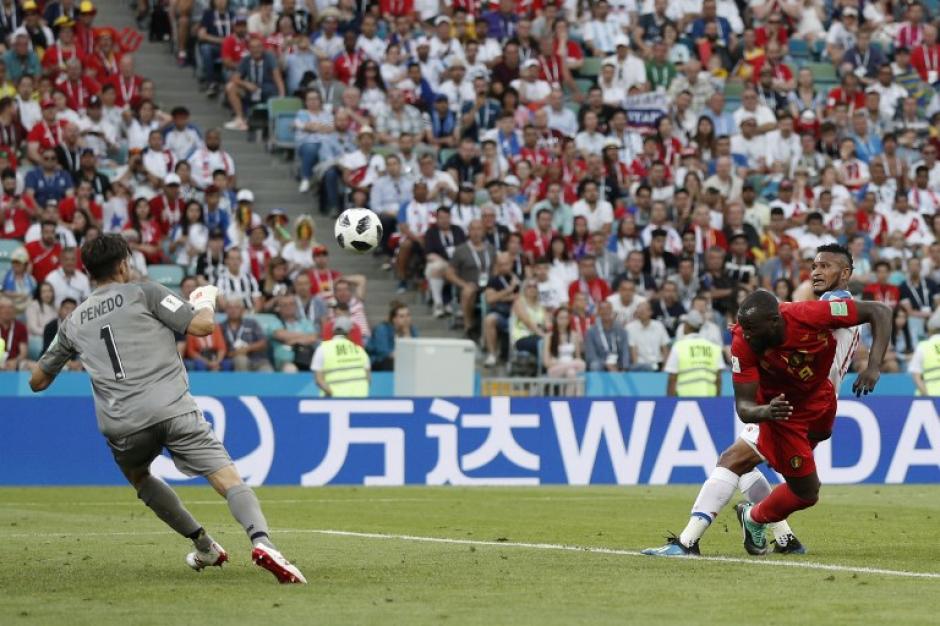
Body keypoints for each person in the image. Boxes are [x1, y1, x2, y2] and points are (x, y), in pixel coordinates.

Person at [30, 234, 305, 583]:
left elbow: (37, 381)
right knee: (227, 477)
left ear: (87, 272)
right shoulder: (146, 292)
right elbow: (202, 327)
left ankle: (204, 545)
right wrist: (204, 300)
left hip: (122, 425)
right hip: (172, 409)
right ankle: (262, 542)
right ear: (123, 265)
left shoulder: (72, 322)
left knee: (140, 477)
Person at [643, 246, 890, 558]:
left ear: (845, 274)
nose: (816, 272)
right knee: (745, 464)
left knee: (735, 461)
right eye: (813, 266)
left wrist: (873, 365)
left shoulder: (832, 304)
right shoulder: (827, 309)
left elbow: (854, 312)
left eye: (825, 266)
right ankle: (781, 535)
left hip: (797, 402)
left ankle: (689, 542)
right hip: (813, 403)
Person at [664, 310, 724, 396]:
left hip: (685, 401)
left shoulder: (678, 347)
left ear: (688, 326)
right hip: (710, 400)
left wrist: (670, 403)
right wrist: (717, 401)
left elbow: (672, 379)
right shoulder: (714, 348)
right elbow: (718, 379)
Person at [311, 315, 370, 397]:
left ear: (333, 330)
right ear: (350, 331)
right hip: (359, 400)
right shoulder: (360, 351)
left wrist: (331, 393)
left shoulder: (323, 349)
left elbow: (318, 380)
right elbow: (368, 379)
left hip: (335, 403)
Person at [221, 299, 273, 372]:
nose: (233, 310)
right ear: (225, 310)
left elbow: (263, 343)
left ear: (243, 310)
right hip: (233, 360)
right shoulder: (221, 327)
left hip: (257, 359)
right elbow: (220, 349)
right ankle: (243, 383)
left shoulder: (252, 323)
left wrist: (247, 348)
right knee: (241, 359)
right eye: (230, 308)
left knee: (267, 371)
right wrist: (236, 353)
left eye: (236, 307)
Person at [367, 301, 417, 371]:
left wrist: (407, 334)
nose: (406, 319)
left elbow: (415, 352)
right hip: (378, 362)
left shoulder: (412, 329)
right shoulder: (382, 329)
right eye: (402, 316)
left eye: (408, 315)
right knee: (390, 362)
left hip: (397, 361)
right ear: (394, 319)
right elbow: (385, 353)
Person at [584, 300, 630, 371]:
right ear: (598, 312)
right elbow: (591, 356)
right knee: (594, 365)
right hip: (602, 364)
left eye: (608, 309)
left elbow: (625, 351)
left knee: (644, 367)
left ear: (612, 311)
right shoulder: (591, 332)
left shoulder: (621, 330)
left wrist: (625, 367)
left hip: (619, 363)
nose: (606, 312)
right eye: (603, 309)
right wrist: (606, 364)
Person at [542, 306, 586, 379]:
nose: (564, 321)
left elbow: (578, 357)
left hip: (572, 368)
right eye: (561, 318)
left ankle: (568, 391)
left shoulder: (574, 335)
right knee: (580, 364)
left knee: (571, 373)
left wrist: (571, 364)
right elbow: (546, 362)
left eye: (566, 318)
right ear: (555, 319)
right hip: (555, 368)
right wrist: (563, 363)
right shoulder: (549, 336)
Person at [907, 309, 940, 395]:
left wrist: (927, 398)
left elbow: (916, 375)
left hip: (929, 395)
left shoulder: (923, 346)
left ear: (930, 330)